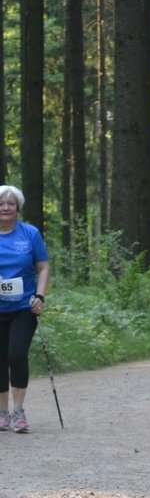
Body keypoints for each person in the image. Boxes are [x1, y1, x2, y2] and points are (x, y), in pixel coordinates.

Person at [0, 185, 49, 433]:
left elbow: (43, 267)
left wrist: (40, 296)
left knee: (17, 354)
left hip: (23, 307)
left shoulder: (30, 233)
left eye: (10, 204)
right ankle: (2, 413)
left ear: (18, 208)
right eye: (1, 204)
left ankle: (18, 412)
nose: (5, 208)